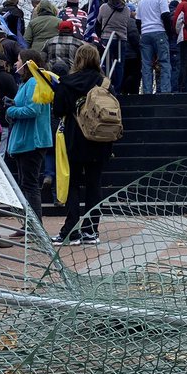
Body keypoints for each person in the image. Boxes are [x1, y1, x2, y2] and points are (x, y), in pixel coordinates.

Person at [52, 43, 114, 244]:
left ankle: (71, 230)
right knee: (94, 183)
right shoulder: (104, 83)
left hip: (74, 138)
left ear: (77, 59)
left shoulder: (67, 82)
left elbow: (58, 110)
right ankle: (91, 230)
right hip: (100, 139)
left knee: (73, 184)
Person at [6, 49, 54, 239]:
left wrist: (11, 110)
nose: (16, 64)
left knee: (30, 185)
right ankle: (30, 224)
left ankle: (35, 227)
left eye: (18, 60)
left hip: (31, 142)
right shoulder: (30, 82)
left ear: (28, 62)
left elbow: (32, 110)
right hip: (27, 141)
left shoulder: (34, 81)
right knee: (26, 184)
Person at [137, 0, 174, 93]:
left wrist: (142, 33)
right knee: (164, 63)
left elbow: (138, 21)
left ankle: (147, 92)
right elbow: (165, 16)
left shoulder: (142, 1)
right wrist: (169, 33)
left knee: (146, 65)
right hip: (159, 32)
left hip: (145, 34)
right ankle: (165, 91)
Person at [96, 0, 130, 90]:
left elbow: (98, 22)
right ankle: (117, 88)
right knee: (119, 65)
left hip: (107, 38)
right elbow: (127, 23)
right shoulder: (127, 10)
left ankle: (106, 87)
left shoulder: (103, 7)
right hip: (121, 39)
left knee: (106, 64)